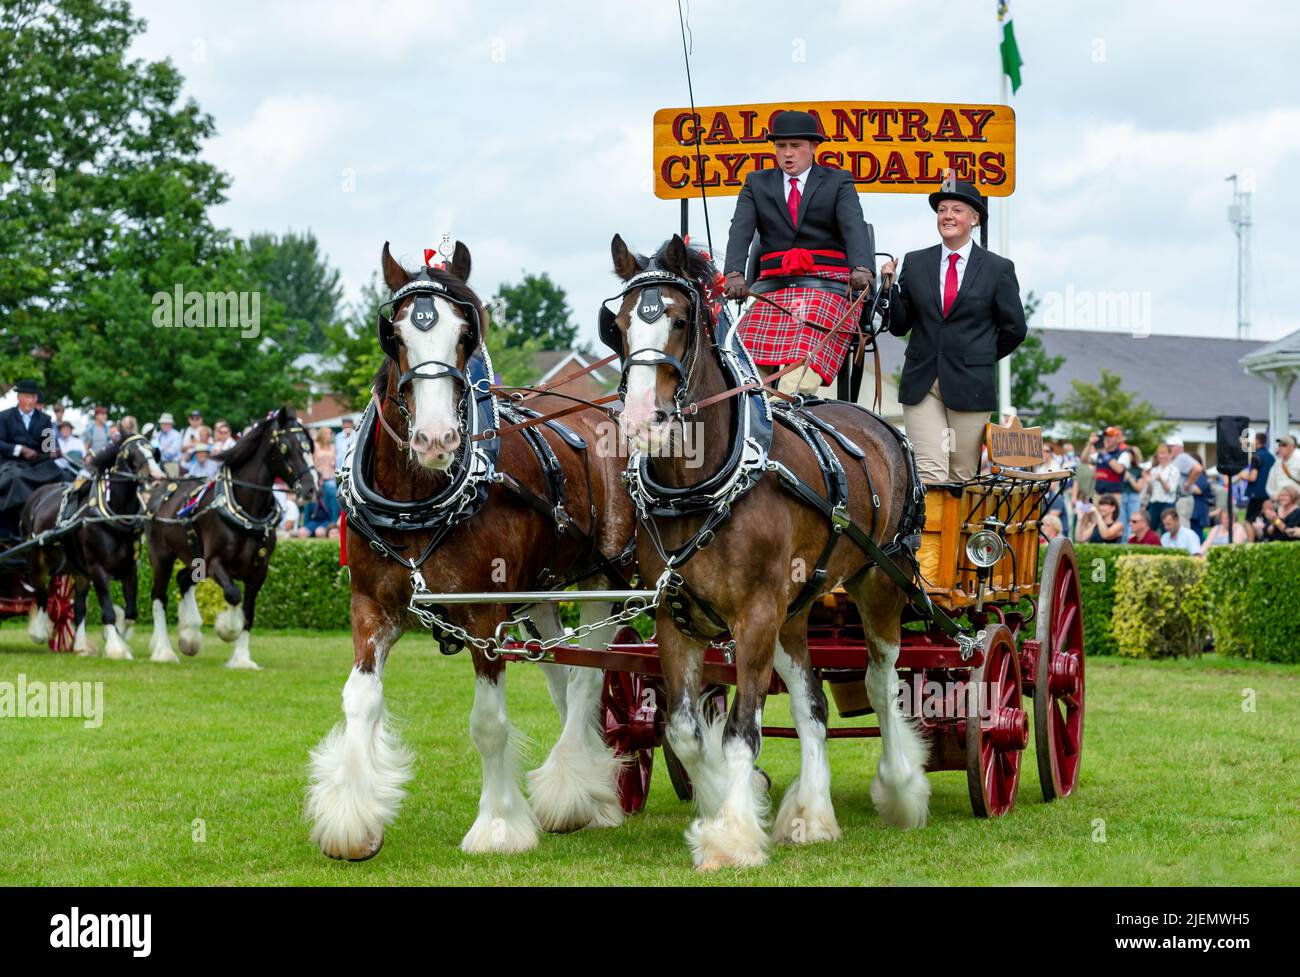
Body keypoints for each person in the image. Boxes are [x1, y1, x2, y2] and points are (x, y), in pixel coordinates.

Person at [879, 179, 1027, 488]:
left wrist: (978, 356)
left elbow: (1015, 329)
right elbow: (899, 325)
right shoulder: (916, 262)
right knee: (930, 474)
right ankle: (929, 539)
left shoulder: (997, 268)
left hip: (970, 385)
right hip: (922, 382)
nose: (947, 215)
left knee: (962, 477)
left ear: (974, 218)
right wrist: (890, 290)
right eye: (942, 209)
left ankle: (959, 539)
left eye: (956, 210)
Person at [723, 110, 875, 397]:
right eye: (781, 146)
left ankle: (787, 409)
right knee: (745, 356)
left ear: (813, 147)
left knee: (805, 354)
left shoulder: (837, 181)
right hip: (774, 286)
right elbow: (740, 229)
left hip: (825, 286)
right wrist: (733, 273)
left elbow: (853, 225)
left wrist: (862, 268)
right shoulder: (756, 183)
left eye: (796, 146)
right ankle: (752, 411)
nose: (788, 154)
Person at [0, 380, 73, 537]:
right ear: (19, 397)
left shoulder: (44, 419)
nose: (30, 401)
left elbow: (48, 445)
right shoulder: (5, 417)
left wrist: (52, 449)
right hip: (13, 463)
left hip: (38, 464)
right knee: (15, 479)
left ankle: (59, 521)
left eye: (33, 397)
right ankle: (14, 526)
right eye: (27, 397)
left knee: (63, 475)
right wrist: (20, 449)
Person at [313, 426, 339, 527]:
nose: (329, 436)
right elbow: (313, 462)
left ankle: (334, 520)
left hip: (331, 477)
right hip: (320, 478)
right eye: (326, 433)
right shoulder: (316, 446)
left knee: (334, 495)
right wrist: (317, 477)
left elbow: (335, 462)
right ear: (322, 435)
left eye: (329, 434)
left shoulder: (333, 447)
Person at [1265, 434, 1300, 499]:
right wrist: (1273, 495)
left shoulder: (1298, 460)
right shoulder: (1277, 463)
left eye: (1284, 445)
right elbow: (1270, 485)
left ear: (1292, 447)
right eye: (1279, 445)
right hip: (1280, 501)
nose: (1280, 448)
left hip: (1296, 501)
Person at [153, 412, 183, 477]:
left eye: (166, 423)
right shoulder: (158, 434)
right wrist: (165, 448)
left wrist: (159, 448)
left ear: (171, 424)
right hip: (158, 464)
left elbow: (171, 453)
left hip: (171, 464)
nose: (163, 425)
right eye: (162, 423)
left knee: (172, 485)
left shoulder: (176, 435)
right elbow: (154, 450)